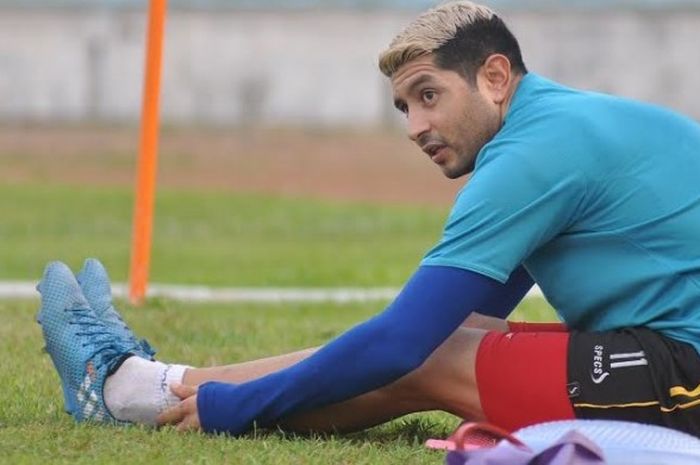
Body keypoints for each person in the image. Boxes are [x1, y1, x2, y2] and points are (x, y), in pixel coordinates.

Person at [37, 0, 700, 438]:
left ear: (495, 77)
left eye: (428, 96)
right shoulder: (559, 128)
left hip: (684, 373)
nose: (415, 127)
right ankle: (145, 383)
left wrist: (231, 409)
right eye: (403, 107)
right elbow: (449, 321)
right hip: (665, 353)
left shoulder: (533, 156)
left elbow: (401, 347)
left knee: (427, 358)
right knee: (450, 339)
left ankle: (141, 391)